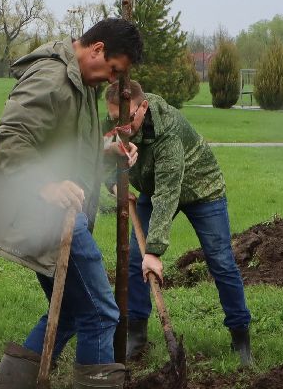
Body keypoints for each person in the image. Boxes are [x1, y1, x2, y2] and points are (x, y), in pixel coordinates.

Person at [0, 18, 155, 389]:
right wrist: (47, 185)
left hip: (56, 213)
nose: (112, 80)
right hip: (48, 213)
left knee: (73, 311)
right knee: (100, 312)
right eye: (112, 69)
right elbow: (12, 139)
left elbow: (63, 149)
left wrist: (105, 154)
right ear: (93, 49)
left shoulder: (78, 84)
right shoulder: (53, 77)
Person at [105, 78, 254, 367]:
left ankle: (241, 339)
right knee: (136, 257)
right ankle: (136, 334)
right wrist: (112, 182)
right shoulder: (119, 124)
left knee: (221, 260)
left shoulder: (168, 131)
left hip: (202, 191)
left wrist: (155, 251)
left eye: (128, 119)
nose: (122, 127)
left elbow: (168, 194)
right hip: (154, 188)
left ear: (144, 106)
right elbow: (102, 156)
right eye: (115, 120)